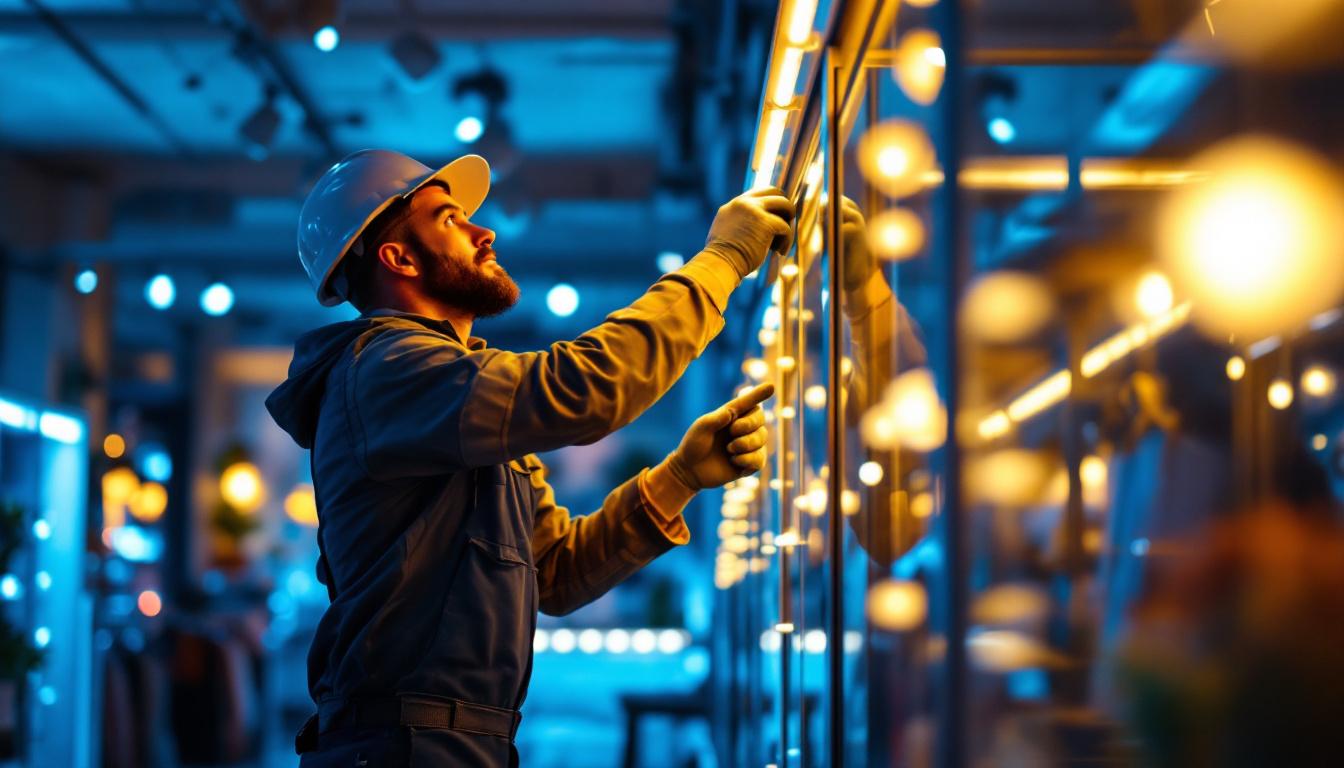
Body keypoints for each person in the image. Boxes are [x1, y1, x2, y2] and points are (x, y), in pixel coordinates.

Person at [265, 149, 794, 767]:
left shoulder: (448, 403)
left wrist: (679, 478)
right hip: (405, 747)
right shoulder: (388, 368)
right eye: (450, 219)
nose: (483, 231)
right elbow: (587, 388)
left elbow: (557, 572)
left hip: (445, 742)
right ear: (399, 258)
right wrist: (722, 261)